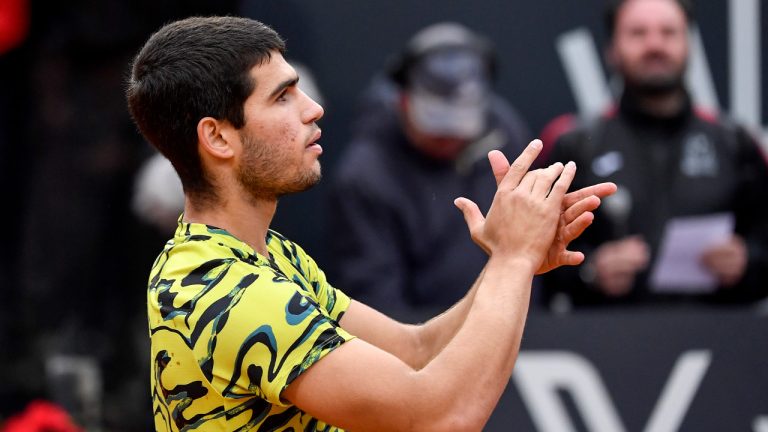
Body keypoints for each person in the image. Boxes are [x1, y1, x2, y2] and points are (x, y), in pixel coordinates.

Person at [126, 16, 615, 431]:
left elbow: (414, 348)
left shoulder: (270, 258)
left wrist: (514, 263)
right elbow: (439, 417)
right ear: (217, 138)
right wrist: (512, 258)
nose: (313, 109)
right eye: (283, 97)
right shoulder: (217, 286)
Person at [542, 0, 768, 308]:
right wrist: (590, 271)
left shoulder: (733, 143)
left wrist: (746, 262)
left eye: (668, 32)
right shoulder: (576, 145)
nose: (654, 44)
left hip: (721, 340)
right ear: (612, 49)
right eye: (638, 33)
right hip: (606, 342)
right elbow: (536, 259)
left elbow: (762, 245)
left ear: (689, 44)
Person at [327, 22, 533, 319]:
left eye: (460, 122)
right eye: (437, 124)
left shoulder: (505, 132)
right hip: (417, 344)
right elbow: (376, 302)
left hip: (513, 327)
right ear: (404, 99)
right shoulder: (365, 175)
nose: (450, 136)